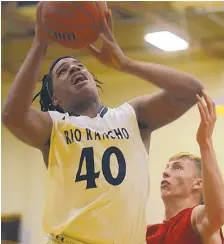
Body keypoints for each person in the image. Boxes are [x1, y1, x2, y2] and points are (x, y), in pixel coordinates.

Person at [2, 4, 203, 244]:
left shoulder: (131, 116)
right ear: (55, 98)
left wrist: (125, 63)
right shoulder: (55, 127)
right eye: (63, 71)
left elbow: (192, 92)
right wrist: (40, 44)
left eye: (79, 66)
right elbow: (12, 116)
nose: (74, 68)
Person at [146, 91, 224, 244]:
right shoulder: (148, 233)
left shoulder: (197, 219)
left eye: (178, 168)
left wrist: (205, 142)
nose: (165, 172)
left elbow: (218, 214)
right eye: (167, 168)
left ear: (198, 183)